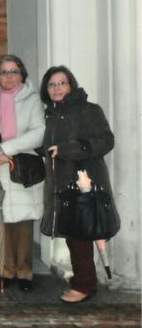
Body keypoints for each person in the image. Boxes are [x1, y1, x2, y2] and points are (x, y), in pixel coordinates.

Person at [39, 65, 115, 303]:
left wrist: (69, 150)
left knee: (80, 233)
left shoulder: (88, 110)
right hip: (60, 183)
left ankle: (84, 285)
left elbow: (106, 140)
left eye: (62, 83)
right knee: (72, 234)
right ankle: (83, 280)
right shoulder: (50, 114)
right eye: (52, 84)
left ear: (71, 85)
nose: (57, 88)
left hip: (83, 181)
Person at [0, 55, 45, 292]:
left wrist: (6, 148)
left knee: (22, 224)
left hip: (19, 167)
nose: (9, 76)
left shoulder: (32, 99)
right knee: (0, 221)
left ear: (22, 74)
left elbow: (39, 132)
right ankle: (5, 271)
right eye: (4, 72)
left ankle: (24, 273)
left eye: (14, 71)